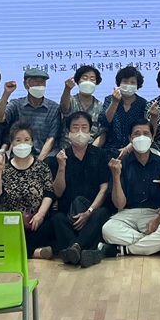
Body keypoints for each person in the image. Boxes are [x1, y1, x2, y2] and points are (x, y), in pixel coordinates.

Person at [101, 121, 160, 256]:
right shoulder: (121, 164)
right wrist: (116, 175)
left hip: (153, 212)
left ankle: (123, 250)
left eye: (146, 134)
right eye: (137, 134)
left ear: (152, 138)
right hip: (127, 214)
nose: (141, 137)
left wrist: (159, 217)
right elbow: (119, 204)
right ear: (130, 139)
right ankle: (156, 246)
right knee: (107, 230)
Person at [49, 111, 111, 267]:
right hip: (69, 213)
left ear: (90, 131)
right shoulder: (60, 157)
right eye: (75, 128)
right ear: (67, 132)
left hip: (92, 212)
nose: (80, 132)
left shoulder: (101, 155)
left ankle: (74, 249)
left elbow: (104, 189)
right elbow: (57, 192)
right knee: (57, 218)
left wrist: (89, 212)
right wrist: (62, 167)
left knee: (102, 213)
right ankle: (85, 251)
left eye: (84, 127)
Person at [0, 122, 57, 259]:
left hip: (35, 222)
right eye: (18, 140)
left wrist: (40, 214)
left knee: (50, 227)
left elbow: (49, 193)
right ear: (12, 143)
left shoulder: (42, 167)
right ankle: (34, 252)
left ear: (32, 143)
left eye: (26, 140)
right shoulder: (4, 168)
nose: (22, 144)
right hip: (10, 223)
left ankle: (16, 251)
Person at [0, 66, 63, 162]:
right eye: (36, 82)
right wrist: (6, 94)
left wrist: (38, 162)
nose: (40, 85)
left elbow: (51, 138)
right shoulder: (16, 104)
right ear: (26, 85)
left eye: (42, 82)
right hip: (20, 154)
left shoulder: (54, 107)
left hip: (46, 157)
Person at [103, 66, 150, 150]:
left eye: (132, 82)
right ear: (119, 83)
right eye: (125, 81)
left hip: (134, 148)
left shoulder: (142, 103)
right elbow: (105, 121)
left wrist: (127, 149)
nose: (128, 85)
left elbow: (144, 128)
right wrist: (115, 102)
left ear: (137, 85)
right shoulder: (110, 99)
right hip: (109, 148)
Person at [58, 65, 107, 145]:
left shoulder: (100, 106)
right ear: (78, 81)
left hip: (91, 148)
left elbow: (102, 132)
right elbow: (64, 108)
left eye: (92, 79)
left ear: (96, 83)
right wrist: (67, 89)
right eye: (85, 78)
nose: (88, 81)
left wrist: (93, 149)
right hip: (68, 148)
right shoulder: (71, 100)